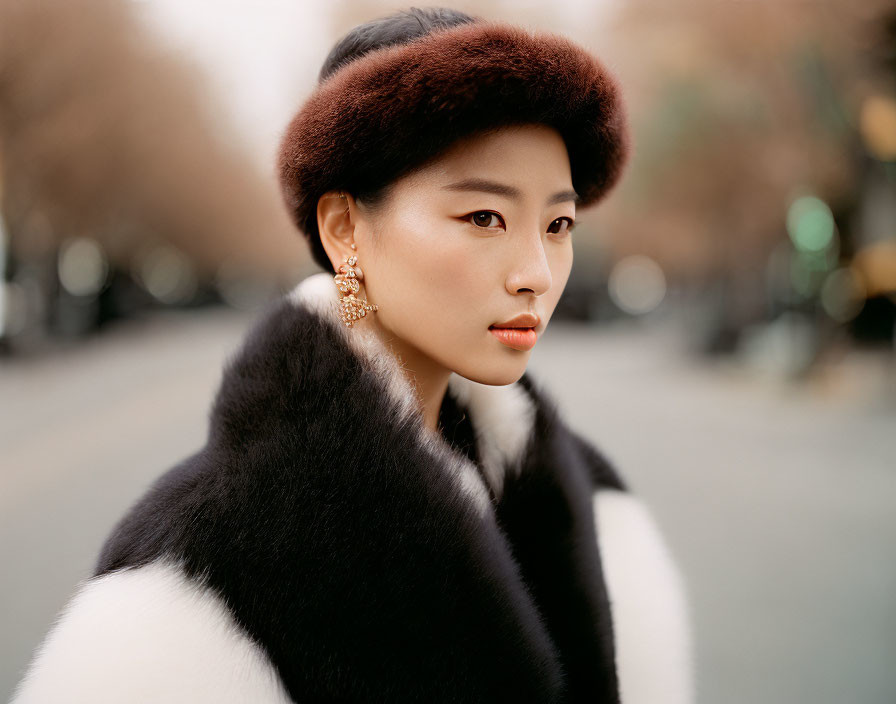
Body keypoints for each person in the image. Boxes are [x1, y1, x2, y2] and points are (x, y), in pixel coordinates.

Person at [10, 8, 693, 703]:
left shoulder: (592, 504)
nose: (538, 272)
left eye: (558, 224)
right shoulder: (191, 588)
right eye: (484, 217)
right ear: (344, 231)